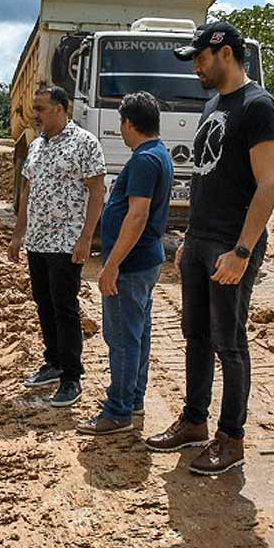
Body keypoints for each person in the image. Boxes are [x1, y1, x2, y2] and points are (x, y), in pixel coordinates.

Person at [144, 22, 274, 475]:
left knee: (230, 341)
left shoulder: (259, 106)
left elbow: (269, 185)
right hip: (202, 240)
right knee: (196, 336)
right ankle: (194, 421)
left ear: (224, 53)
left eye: (200, 58)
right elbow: (207, 177)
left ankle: (231, 437)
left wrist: (242, 251)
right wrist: (189, 238)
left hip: (231, 245)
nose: (197, 68)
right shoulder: (212, 105)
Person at [76, 92, 173, 435]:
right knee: (137, 334)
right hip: (144, 260)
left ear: (129, 123)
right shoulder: (157, 154)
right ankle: (133, 399)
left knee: (121, 337)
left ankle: (118, 410)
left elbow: (138, 214)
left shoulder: (145, 160)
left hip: (131, 265)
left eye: (122, 123)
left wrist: (111, 264)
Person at [9, 86, 106, 408]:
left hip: (66, 241)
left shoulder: (85, 144)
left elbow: (96, 192)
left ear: (61, 108)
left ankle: (71, 377)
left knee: (65, 307)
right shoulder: (36, 146)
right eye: (33, 107)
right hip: (37, 240)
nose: (34, 114)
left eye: (40, 107)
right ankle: (53, 362)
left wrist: (86, 238)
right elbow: (27, 193)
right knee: (44, 303)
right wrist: (18, 234)